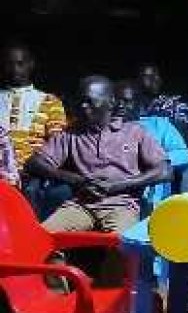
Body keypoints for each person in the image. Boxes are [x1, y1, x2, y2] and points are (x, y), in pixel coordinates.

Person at [25, 76, 169, 235]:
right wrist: (76, 180)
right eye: (80, 101)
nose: (83, 106)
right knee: (43, 239)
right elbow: (34, 163)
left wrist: (120, 184)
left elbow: (164, 171)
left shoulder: (134, 132)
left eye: (89, 101)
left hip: (121, 205)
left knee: (124, 246)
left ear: (111, 103)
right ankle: (64, 261)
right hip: (81, 205)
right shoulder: (72, 134)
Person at [0, 41, 66, 186]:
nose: (14, 69)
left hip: (33, 174)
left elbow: (58, 144)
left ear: (31, 64)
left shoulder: (49, 101)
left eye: (20, 63)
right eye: (8, 64)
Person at [137, 64, 188, 146]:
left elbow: (186, 135)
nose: (154, 79)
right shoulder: (134, 106)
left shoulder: (174, 105)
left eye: (156, 75)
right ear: (138, 80)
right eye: (147, 76)